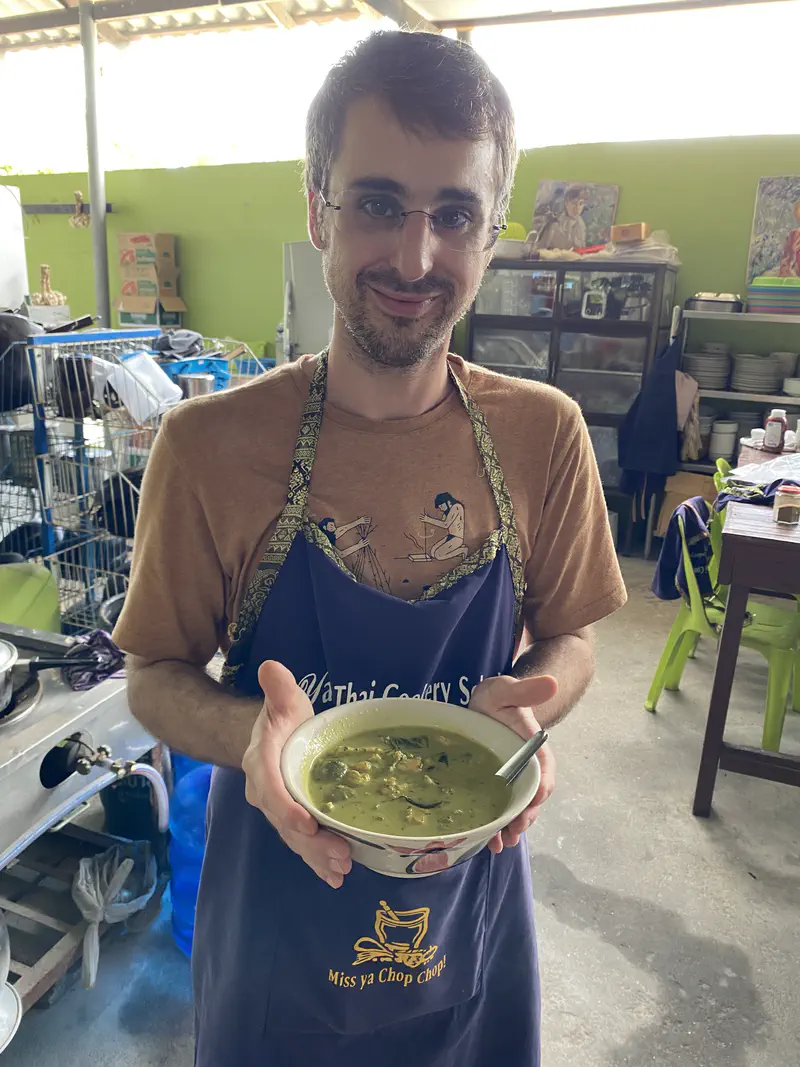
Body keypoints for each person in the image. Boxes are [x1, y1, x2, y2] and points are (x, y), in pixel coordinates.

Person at [113, 30, 626, 1067]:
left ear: (489, 231)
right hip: (275, 942)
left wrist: (534, 706)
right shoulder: (211, 444)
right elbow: (153, 677)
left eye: (455, 214)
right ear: (317, 209)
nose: (414, 256)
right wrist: (259, 738)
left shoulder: (543, 434)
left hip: (469, 932)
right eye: (378, 203)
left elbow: (569, 636)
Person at [534, 184, 588, 251]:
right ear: (566, 203)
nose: (577, 208)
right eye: (574, 203)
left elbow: (581, 250)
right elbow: (538, 250)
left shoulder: (581, 225)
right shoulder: (554, 224)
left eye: (581, 203)